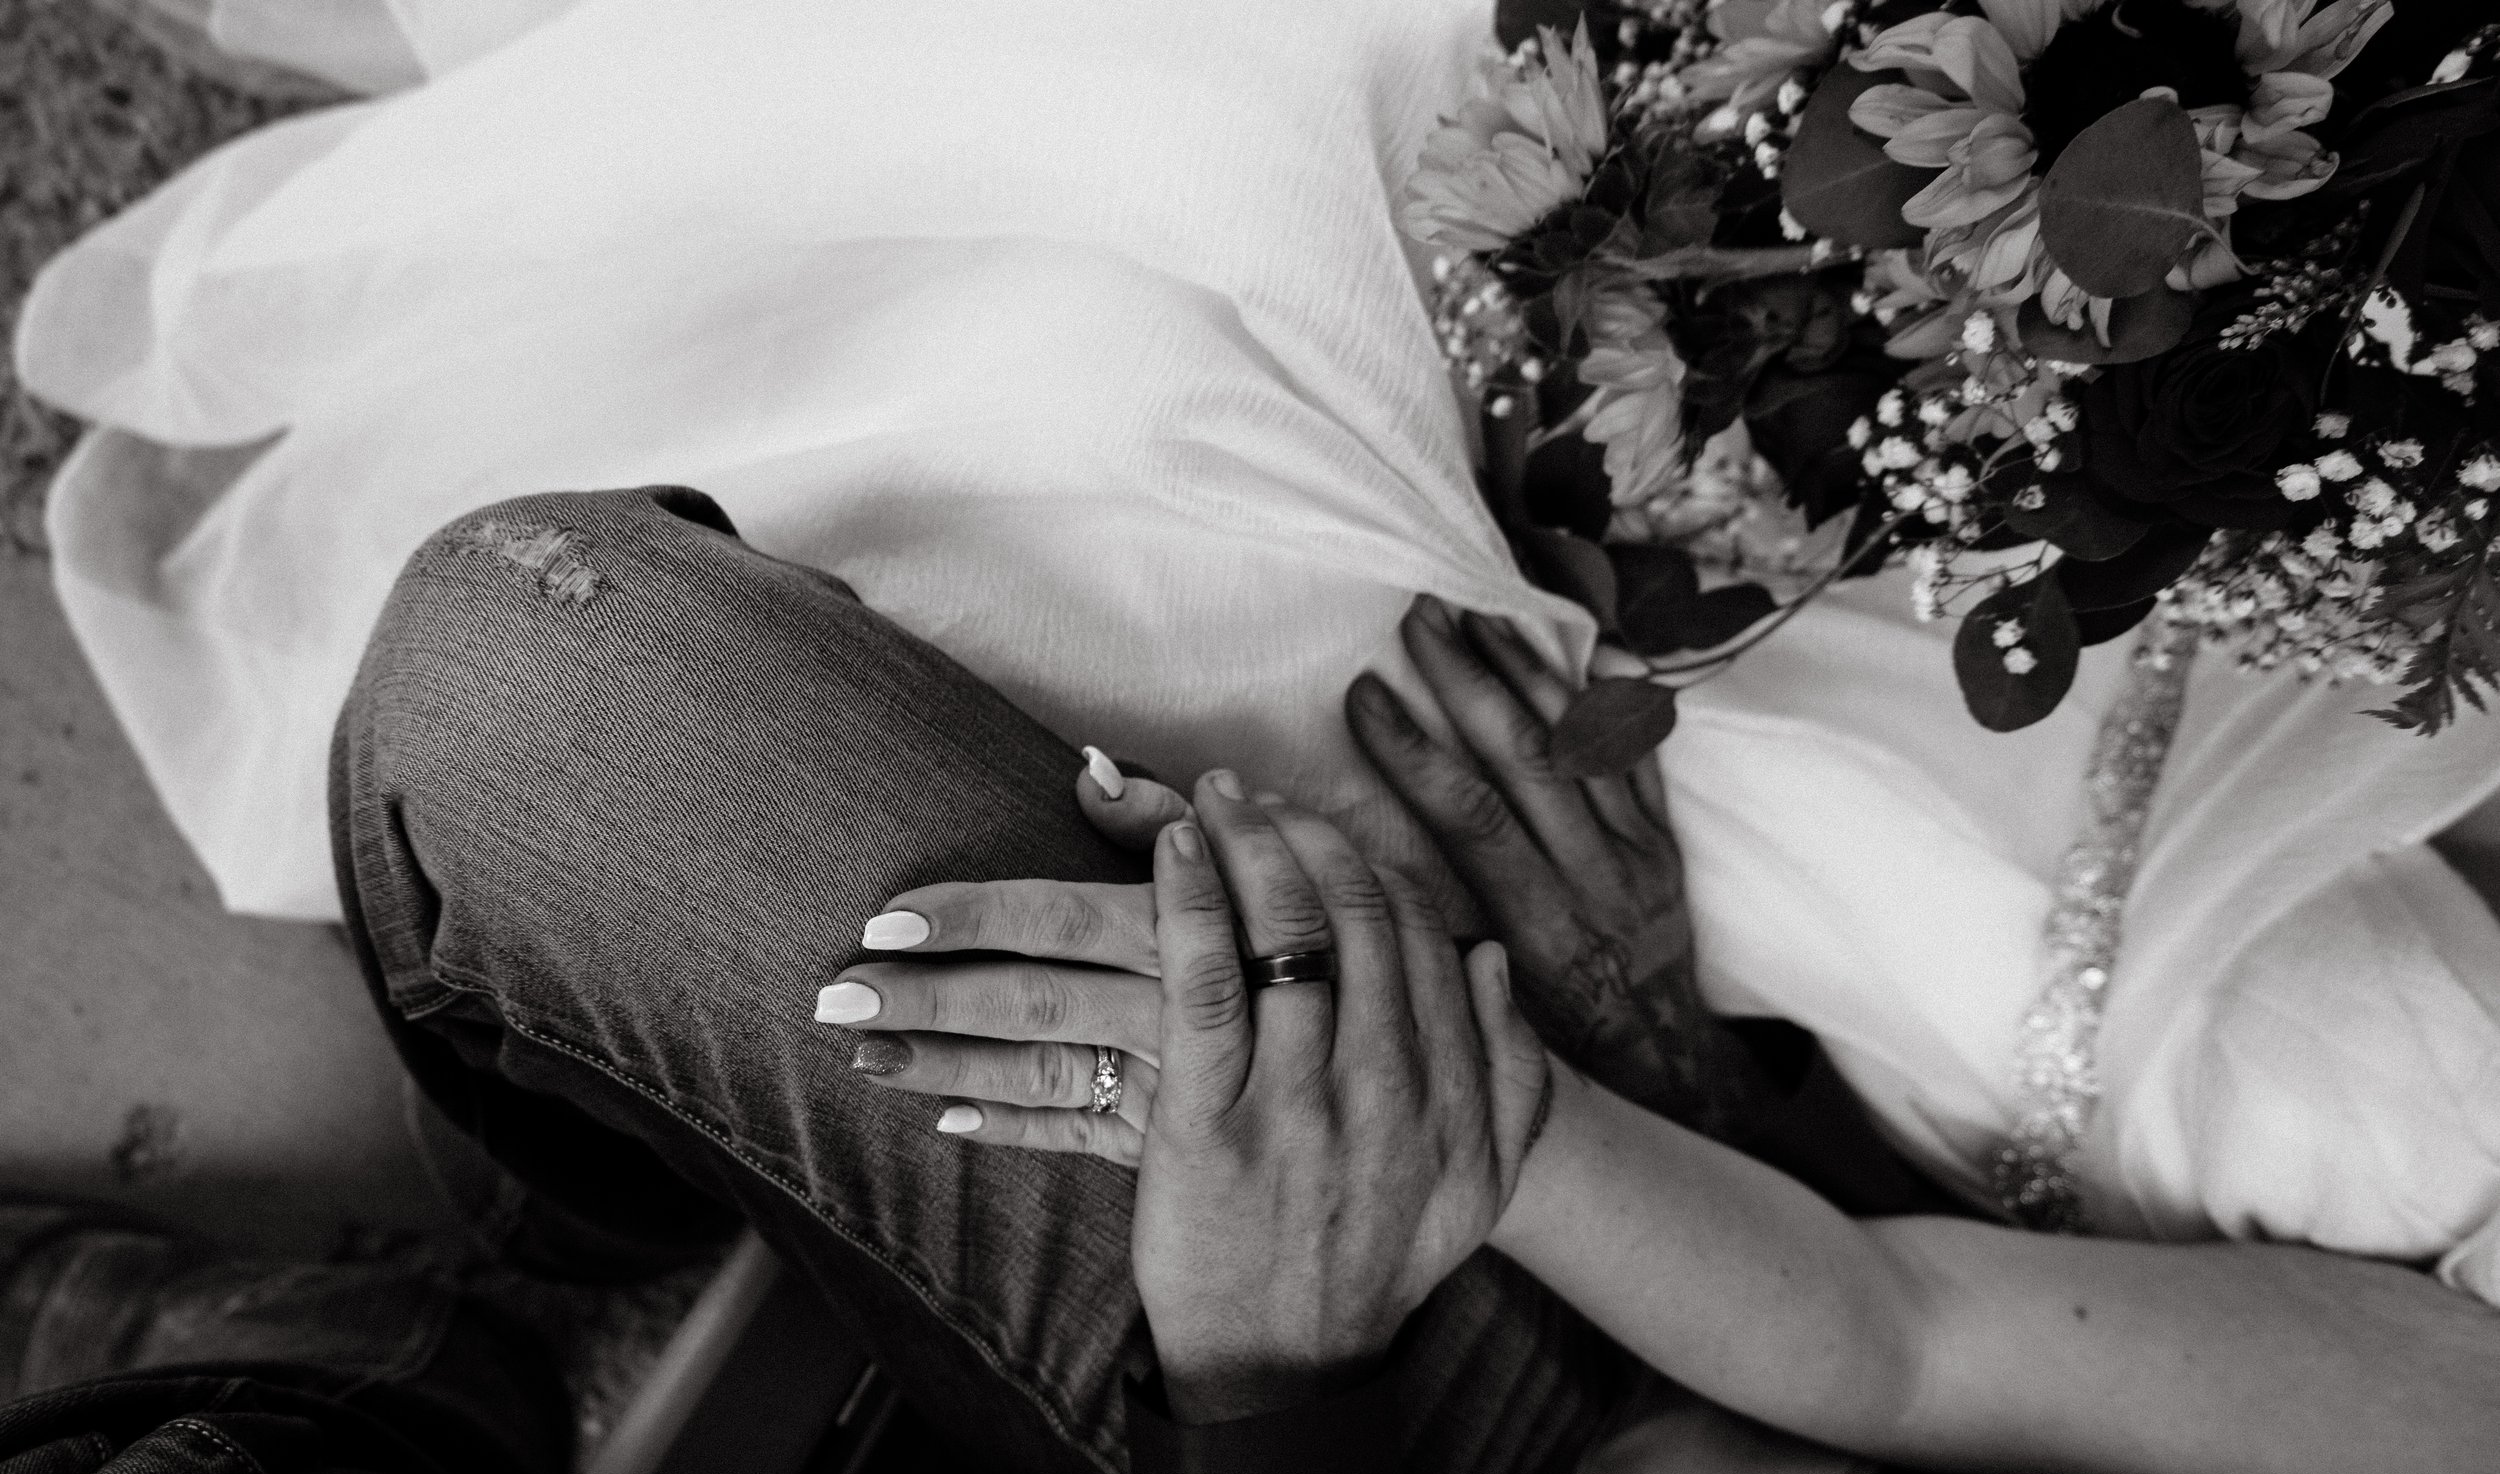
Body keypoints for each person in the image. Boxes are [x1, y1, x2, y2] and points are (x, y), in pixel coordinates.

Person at [21, 0, 2500, 1299]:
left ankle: (587, 798)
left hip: (1790, 986)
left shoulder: (2412, 1254)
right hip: (2016, 509)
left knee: (1168, 441)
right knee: (1362, 119)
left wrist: (1651, 1068)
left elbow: (1908, 1381)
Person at [7, 488, 2496, 1474]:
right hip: (1525, 1410)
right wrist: (1456, 1088)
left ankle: (301, 1406)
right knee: (539, 674)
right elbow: (1894, 1335)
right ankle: (556, 1240)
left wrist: (1257, 1388)